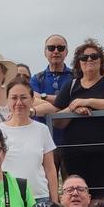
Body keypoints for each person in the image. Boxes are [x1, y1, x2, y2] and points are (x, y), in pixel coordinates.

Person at [40, 39, 104, 198]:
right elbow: (58, 121)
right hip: (75, 154)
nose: (89, 60)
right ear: (78, 63)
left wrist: (87, 102)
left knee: (100, 200)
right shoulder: (71, 85)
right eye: (84, 57)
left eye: (94, 56)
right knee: (78, 198)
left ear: (101, 61)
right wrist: (73, 108)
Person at [0, 78, 59, 203]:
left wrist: (55, 201)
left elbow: (50, 168)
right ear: (7, 101)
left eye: (24, 97)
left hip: (40, 198)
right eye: (14, 98)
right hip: (8, 199)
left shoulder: (42, 129)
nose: (19, 102)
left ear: (32, 100)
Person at [31, 34, 75, 175]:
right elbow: (33, 99)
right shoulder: (37, 78)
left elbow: (77, 99)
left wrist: (44, 99)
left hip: (71, 141)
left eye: (60, 48)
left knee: (72, 185)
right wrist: (64, 102)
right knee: (48, 187)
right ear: (45, 52)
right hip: (45, 142)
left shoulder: (76, 77)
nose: (56, 51)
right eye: (51, 48)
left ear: (66, 52)